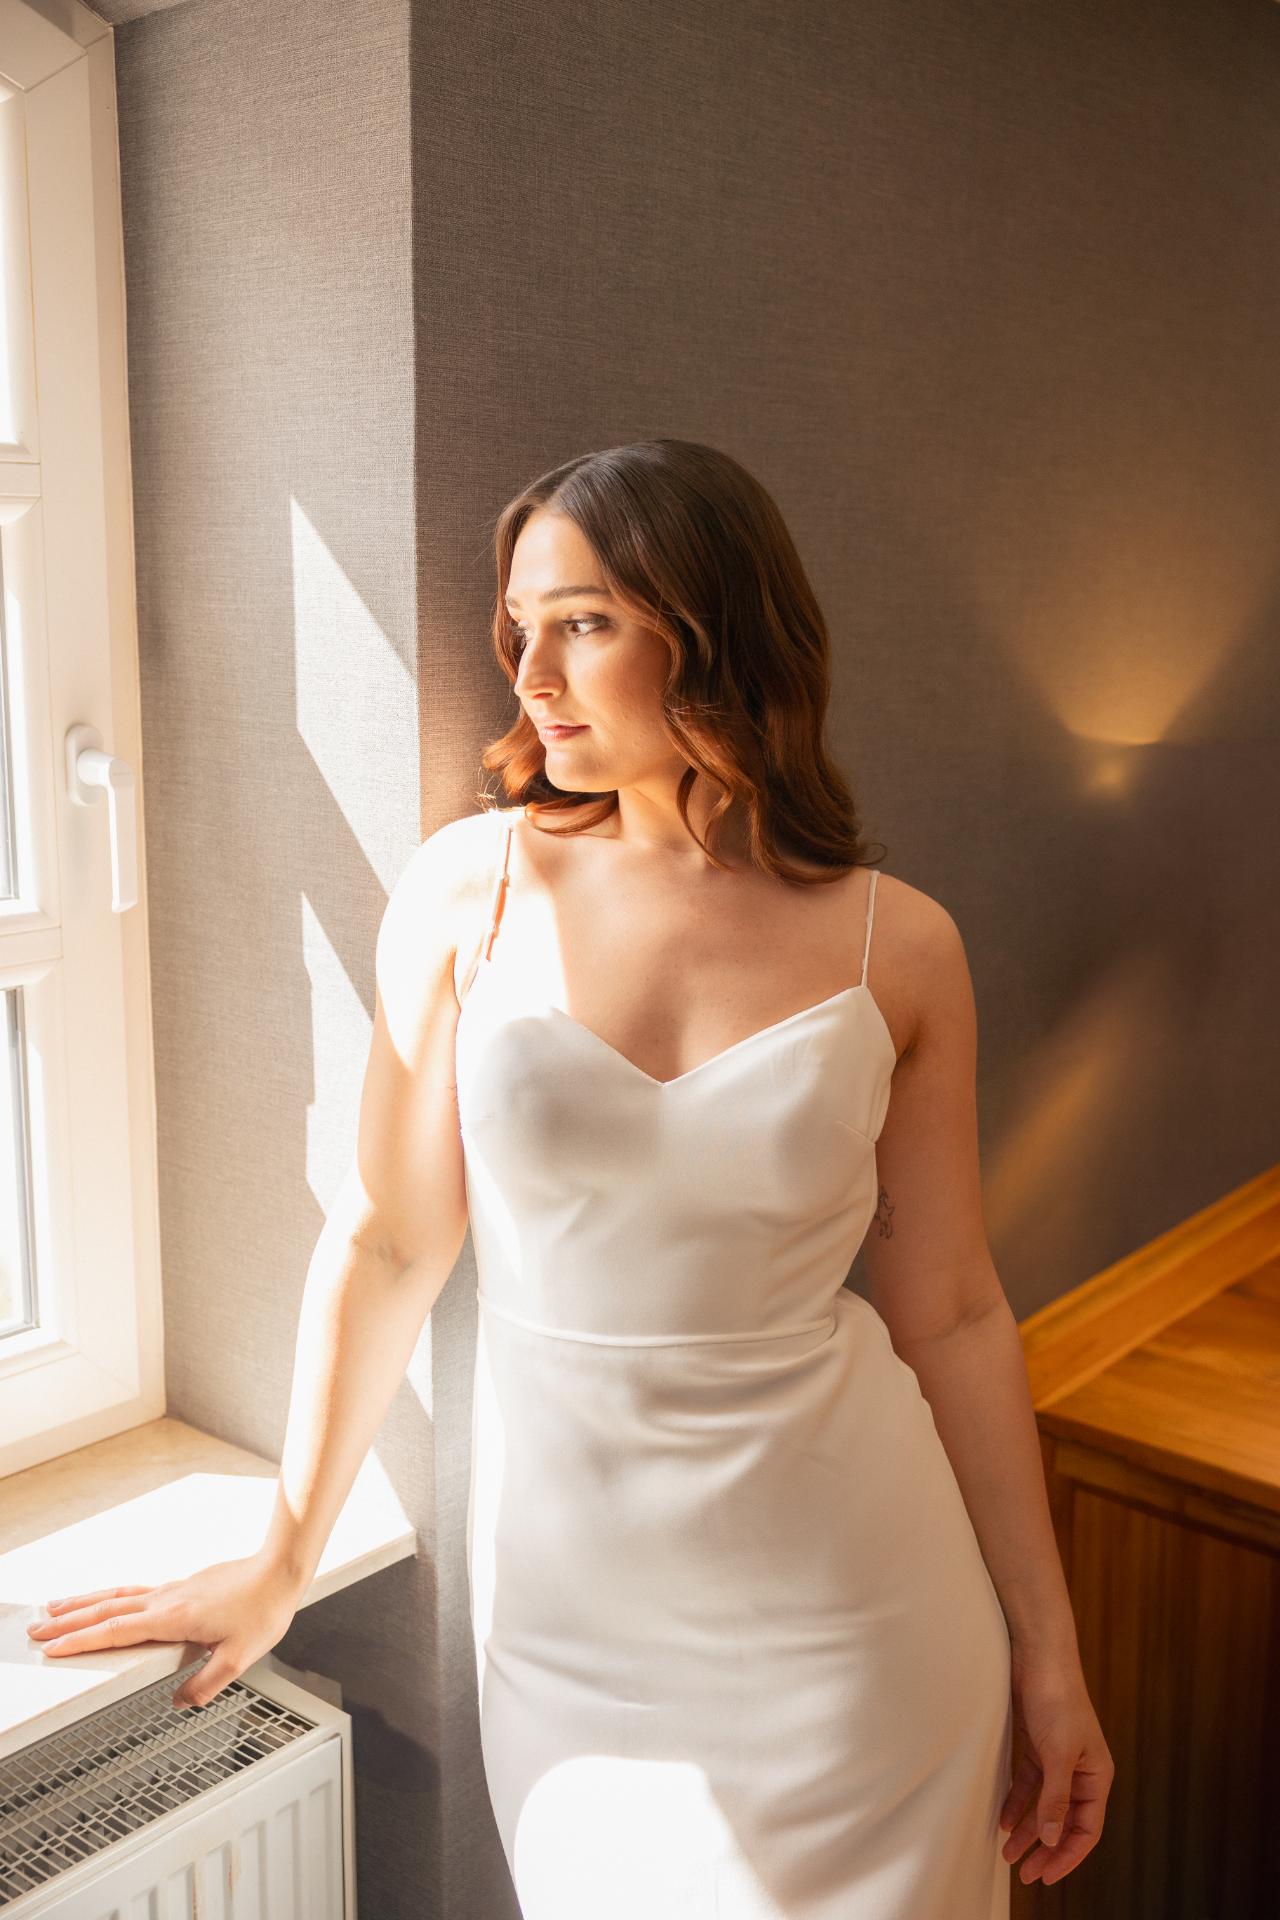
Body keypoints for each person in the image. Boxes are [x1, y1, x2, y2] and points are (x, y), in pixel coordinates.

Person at [29, 439, 1112, 1916]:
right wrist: (284, 1554)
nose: (530, 672)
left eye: (585, 622)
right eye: (519, 626)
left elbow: (959, 1316)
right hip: (575, 1631)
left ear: (716, 627)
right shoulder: (466, 890)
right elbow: (388, 1243)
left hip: (862, 1619)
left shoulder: (898, 946)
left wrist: (1048, 1655)